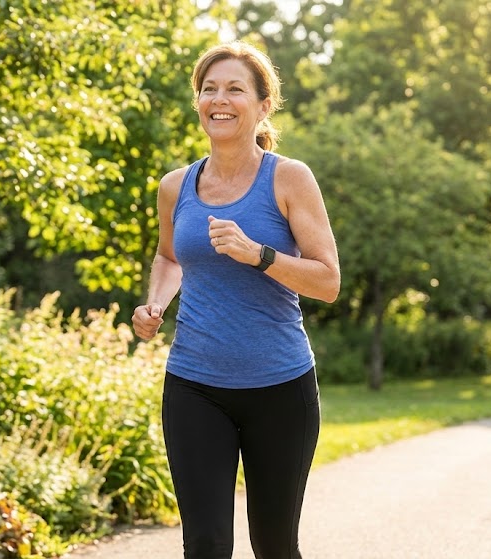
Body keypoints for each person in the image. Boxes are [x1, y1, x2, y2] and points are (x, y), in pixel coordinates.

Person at [131, 40, 340, 559]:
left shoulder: (289, 178)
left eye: (234, 89)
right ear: (198, 101)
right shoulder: (175, 186)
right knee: (204, 544)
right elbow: (169, 257)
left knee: (274, 545)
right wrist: (155, 304)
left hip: (280, 387)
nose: (218, 99)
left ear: (264, 105)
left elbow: (328, 281)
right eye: (209, 89)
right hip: (194, 386)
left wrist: (259, 255)